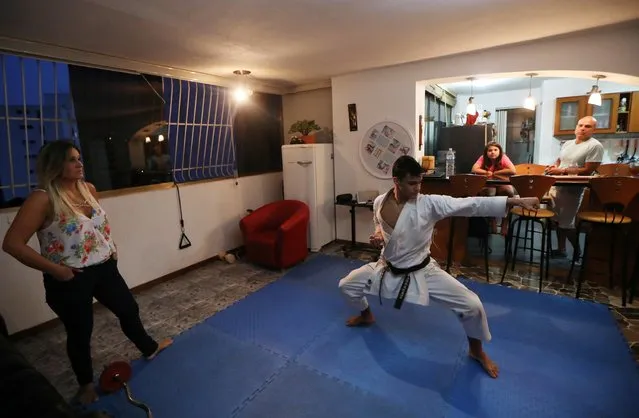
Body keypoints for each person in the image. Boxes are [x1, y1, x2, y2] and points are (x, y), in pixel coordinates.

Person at [2, 140, 172, 405]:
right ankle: (85, 385)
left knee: (128, 309)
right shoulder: (43, 198)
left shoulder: (88, 188)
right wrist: (56, 270)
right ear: (55, 164)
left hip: (104, 268)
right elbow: (12, 244)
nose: (80, 163)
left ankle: (149, 348)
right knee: (81, 332)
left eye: (79, 158)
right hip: (70, 277)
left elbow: (94, 225)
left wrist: (111, 246)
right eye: (72, 159)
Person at [338, 155, 540, 378]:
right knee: (346, 285)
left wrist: (512, 201)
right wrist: (378, 235)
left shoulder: (429, 203)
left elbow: (469, 204)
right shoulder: (379, 202)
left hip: (422, 270)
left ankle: (476, 351)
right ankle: (367, 315)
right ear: (396, 181)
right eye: (412, 183)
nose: (417, 188)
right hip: (387, 266)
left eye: (420, 182)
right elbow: (380, 226)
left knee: (472, 305)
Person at [544, 116, 604, 259]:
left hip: (573, 188)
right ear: (575, 127)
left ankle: (577, 251)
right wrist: (555, 167)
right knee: (557, 220)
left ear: (594, 130)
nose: (582, 128)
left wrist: (562, 171)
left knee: (566, 223)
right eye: (580, 125)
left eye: (587, 126)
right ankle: (561, 249)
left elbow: (588, 170)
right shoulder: (568, 143)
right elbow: (560, 160)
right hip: (557, 184)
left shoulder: (595, 146)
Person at [471, 141, 517, 235]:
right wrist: (486, 173)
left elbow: (513, 170)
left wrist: (496, 173)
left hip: (503, 183)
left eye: (495, 150)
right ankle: (492, 219)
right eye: (490, 150)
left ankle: (505, 221)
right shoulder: (482, 158)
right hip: (488, 184)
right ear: (486, 152)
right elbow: (474, 169)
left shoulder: (504, 157)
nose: (493, 152)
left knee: (508, 192)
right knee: (489, 193)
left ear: (500, 151)